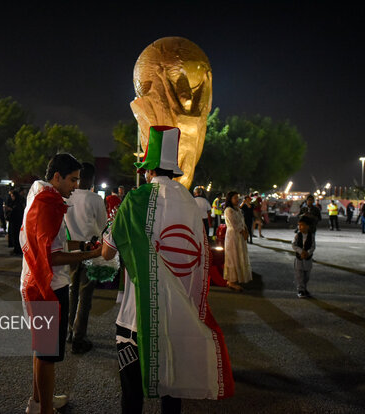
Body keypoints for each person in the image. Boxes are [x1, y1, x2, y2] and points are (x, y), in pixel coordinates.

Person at [101, 126, 234, 414]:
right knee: (172, 393)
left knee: (132, 396)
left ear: (148, 170)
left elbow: (106, 252)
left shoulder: (134, 200)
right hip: (180, 314)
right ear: (174, 170)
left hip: (137, 316)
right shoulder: (190, 203)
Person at [20, 153, 102, 414]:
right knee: (47, 356)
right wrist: (92, 254)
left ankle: (38, 401)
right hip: (47, 288)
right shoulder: (49, 203)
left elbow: (50, 246)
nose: (76, 186)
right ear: (57, 177)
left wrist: (83, 248)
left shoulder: (38, 193)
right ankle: (44, 410)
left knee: (41, 351)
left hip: (34, 283)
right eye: (72, 180)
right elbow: (51, 256)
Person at [64, 162, 108, 354]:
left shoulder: (66, 197)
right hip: (90, 251)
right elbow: (103, 226)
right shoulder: (95, 199)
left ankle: (69, 331)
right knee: (85, 296)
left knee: (72, 292)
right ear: (91, 179)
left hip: (70, 250)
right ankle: (79, 338)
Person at [223, 191, 252, 291]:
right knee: (233, 256)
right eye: (235, 198)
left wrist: (246, 230)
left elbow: (242, 222)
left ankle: (235, 279)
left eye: (238, 197)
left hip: (240, 236)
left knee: (239, 256)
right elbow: (233, 224)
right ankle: (231, 281)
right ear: (230, 199)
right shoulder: (228, 210)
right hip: (233, 236)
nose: (237, 199)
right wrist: (242, 231)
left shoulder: (237, 210)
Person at [292, 215, 316, 298]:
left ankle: (304, 288)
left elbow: (313, 246)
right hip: (299, 258)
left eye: (302, 225)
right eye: (299, 225)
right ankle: (300, 290)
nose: (299, 227)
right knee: (299, 275)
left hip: (307, 259)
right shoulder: (297, 236)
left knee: (306, 276)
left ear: (307, 226)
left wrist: (308, 253)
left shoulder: (311, 236)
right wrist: (301, 251)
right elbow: (294, 245)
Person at [6, 190, 25, 256]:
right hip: (15, 221)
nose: (12, 197)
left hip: (16, 221)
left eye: (12, 196)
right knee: (14, 235)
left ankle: (17, 249)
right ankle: (16, 249)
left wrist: (10, 209)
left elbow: (17, 210)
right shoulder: (16, 202)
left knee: (16, 235)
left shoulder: (18, 203)